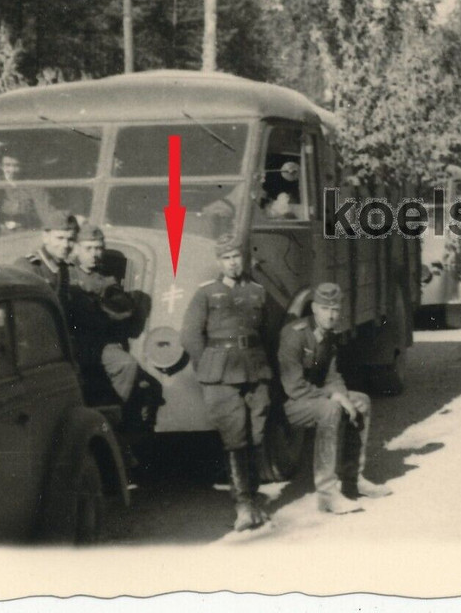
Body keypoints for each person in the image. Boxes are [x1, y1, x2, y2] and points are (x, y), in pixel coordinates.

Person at [180, 236, 273, 532]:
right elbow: (191, 336)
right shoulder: (207, 293)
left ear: (243, 259)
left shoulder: (258, 291)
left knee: (256, 434)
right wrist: (207, 367)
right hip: (220, 373)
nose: (233, 262)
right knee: (235, 437)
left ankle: (255, 498)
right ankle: (243, 504)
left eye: (237, 257)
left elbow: (268, 332)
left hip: (255, 370)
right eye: (227, 258)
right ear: (219, 262)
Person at [277, 283, 391, 514]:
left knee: (361, 402)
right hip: (290, 404)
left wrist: (343, 396)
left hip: (315, 398)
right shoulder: (295, 334)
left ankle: (352, 480)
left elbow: (332, 374)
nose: (331, 315)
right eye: (325, 309)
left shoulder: (328, 337)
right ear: (314, 308)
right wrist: (334, 396)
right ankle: (327, 494)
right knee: (330, 409)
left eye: (336, 310)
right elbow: (294, 387)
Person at [67, 223, 161, 430]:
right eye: (88, 248)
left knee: (126, 365)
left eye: (98, 248)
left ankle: (113, 416)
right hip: (71, 341)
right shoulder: (66, 276)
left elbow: (123, 310)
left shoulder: (105, 279)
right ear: (76, 249)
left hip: (99, 342)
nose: (94, 254)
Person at [15, 208, 79, 308]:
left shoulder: (63, 267)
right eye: (60, 238)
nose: (65, 245)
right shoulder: (29, 266)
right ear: (45, 237)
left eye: (70, 239)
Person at [0, 150, 53, 237]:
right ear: (1, 167)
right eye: (7, 165)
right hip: (1, 235)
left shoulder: (33, 186)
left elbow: (44, 213)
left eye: (16, 166)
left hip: (26, 234)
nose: (12, 170)